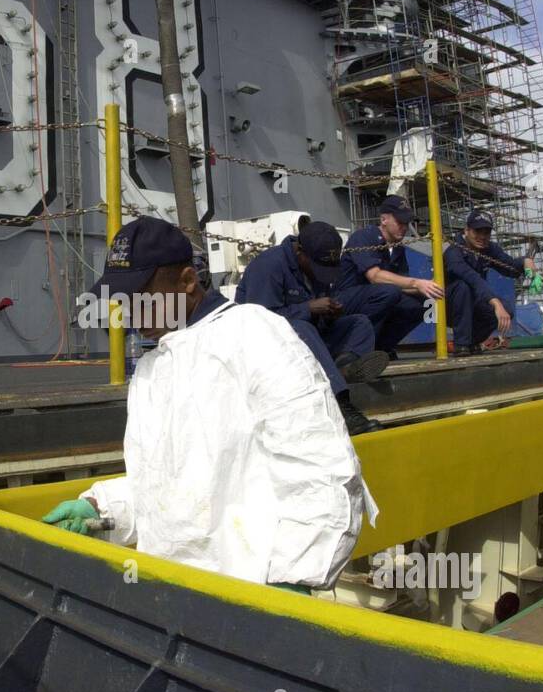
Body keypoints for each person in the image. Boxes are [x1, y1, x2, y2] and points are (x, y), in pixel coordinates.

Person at [44, 216, 378, 590]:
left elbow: (322, 471)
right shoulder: (153, 370)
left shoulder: (255, 334)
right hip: (172, 592)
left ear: (187, 281)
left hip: (251, 593)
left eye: (141, 296)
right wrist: (101, 510)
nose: (131, 312)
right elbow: (163, 487)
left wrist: (293, 583)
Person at [235, 221, 387, 435]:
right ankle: (341, 404)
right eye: (318, 267)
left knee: (359, 323)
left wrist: (330, 315)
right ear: (300, 252)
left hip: (307, 343)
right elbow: (259, 321)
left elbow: (318, 318)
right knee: (301, 326)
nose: (322, 274)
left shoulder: (316, 269)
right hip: (268, 348)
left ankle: (343, 367)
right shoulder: (269, 266)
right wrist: (308, 308)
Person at [336, 195, 442, 356]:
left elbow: (403, 286)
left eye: (407, 223)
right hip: (345, 301)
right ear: (384, 219)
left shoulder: (398, 248)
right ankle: (354, 350)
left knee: (423, 302)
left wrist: (429, 287)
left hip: (377, 298)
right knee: (388, 292)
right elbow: (375, 276)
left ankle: (381, 347)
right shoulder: (363, 237)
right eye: (400, 222)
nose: (404, 227)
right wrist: (416, 283)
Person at [443, 210, 537, 356]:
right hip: (447, 307)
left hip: (473, 303)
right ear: (466, 230)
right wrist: (495, 303)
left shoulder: (489, 249)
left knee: (507, 309)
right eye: (477, 231)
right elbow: (472, 278)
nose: (482, 236)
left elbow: (509, 267)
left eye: (486, 232)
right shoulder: (454, 251)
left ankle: (472, 342)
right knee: (463, 287)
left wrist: (525, 262)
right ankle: (461, 345)